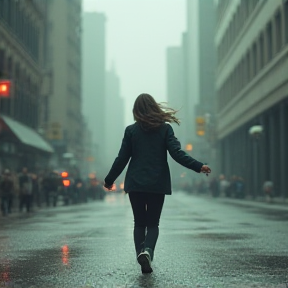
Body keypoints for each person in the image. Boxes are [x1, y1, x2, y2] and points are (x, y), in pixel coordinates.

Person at [104, 93, 211, 274]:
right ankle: (148, 251)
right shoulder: (165, 129)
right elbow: (177, 154)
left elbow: (122, 158)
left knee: (139, 223)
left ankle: (141, 254)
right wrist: (199, 166)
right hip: (157, 183)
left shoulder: (131, 131)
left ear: (136, 111)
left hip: (136, 184)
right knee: (153, 223)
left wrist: (109, 180)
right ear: (154, 107)